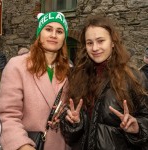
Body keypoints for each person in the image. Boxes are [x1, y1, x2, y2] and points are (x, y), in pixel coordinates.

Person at [60, 15, 148, 150]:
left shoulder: (134, 77)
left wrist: (137, 128)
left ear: (113, 42)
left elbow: (145, 119)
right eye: (89, 43)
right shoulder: (78, 77)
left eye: (100, 41)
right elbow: (71, 136)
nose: (95, 48)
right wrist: (74, 123)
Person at [0, 12, 71, 150]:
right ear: (39, 33)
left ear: (64, 38)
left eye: (59, 31)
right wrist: (22, 145)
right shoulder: (17, 66)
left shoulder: (69, 71)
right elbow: (7, 115)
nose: (53, 35)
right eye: (48, 29)